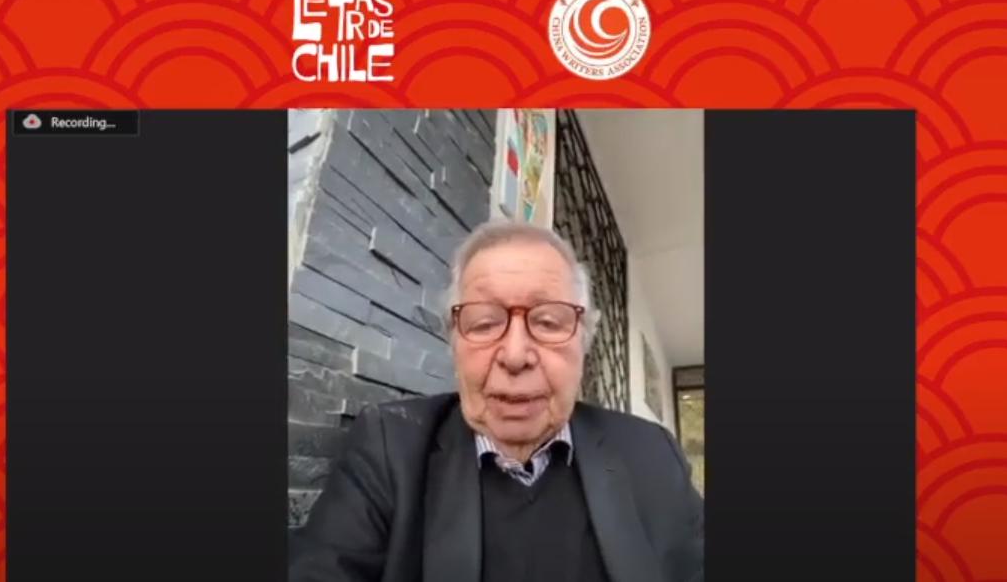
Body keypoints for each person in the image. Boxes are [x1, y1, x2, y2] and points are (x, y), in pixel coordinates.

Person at [289, 220, 704, 582]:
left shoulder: (652, 454)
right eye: (485, 323)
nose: (515, 355)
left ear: (584, 342)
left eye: (548, 321)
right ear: (454, 343)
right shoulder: (389, 447)